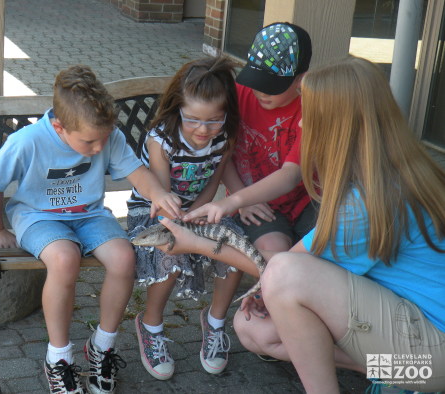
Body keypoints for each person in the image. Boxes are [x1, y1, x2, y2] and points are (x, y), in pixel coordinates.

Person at [156, 56, 445, 393]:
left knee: (283, 277)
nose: (303, 125)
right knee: (254, 330)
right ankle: (381, 370)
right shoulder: (399, 171)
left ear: (339, 126)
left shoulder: (366, 202)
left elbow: (281, 269)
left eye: (311, 115)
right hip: (414, 336)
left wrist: (195, 244)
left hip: (428, 362)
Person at [0, 65, 182, 394]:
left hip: (89, 215)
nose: (99, 148)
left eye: (104, 138)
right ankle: (58, 358)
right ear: (59, 127)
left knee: (123, 258)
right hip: (38, 216)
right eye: (89, 142)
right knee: (64, 259)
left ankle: (101, 347)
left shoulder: (107, 135)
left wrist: (158, 193)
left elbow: (136, 171)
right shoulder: (27, 142)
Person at [127, 56, 243, 380]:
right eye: (193, 120)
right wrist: (182, 226)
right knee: (169, 250)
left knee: (234, 243)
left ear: (225, 115)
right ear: (178, 108)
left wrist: (199, 214)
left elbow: (213, 182)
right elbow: (160, 194)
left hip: (198, 209)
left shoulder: (225, 137)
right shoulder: (161, 138)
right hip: (153, 211)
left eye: (213, 121)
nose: (203, 130)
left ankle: (216, 323)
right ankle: (150, 325)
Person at [186, 22, 316, 262]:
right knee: (274, 251)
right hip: (252, 202)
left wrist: (233, 200)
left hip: (307, 201)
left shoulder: (312, 108)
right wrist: (240, 197)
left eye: (272, 86)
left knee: (334, 248)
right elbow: (221, 152)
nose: (261, 92)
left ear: (302, 80)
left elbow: (291, 175)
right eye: (257, 81)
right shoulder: (238, 93)